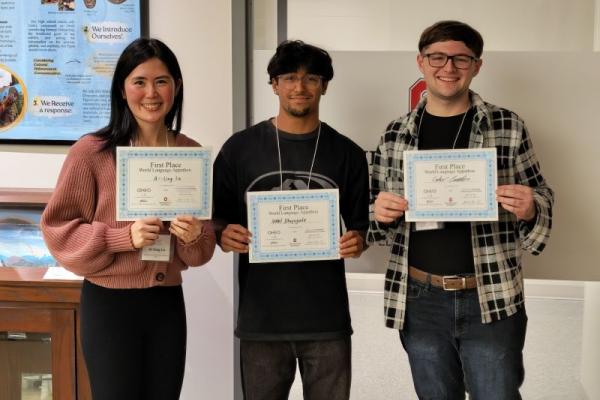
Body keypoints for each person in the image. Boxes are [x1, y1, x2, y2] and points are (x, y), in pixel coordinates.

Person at [368, 20, 554, 400]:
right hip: (420, 297)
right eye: (437, 57)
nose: (448, 67)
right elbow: (375, 217)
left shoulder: (506, 124)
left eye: (460, 59)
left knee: (497, 395)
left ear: (477, 65)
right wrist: (379, 212)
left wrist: (531, 207)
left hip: (491, 292)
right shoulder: (395, 132)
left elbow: (541, 192)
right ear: (421, 62)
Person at [41, 38, 216, 400]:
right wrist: (123, 238)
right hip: (109, 306)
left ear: (176, 87)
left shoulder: (191, 154)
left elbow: (199, 255)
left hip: (166, 305)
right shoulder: (91, 153)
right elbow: (58, 233)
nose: (151, 93)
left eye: (162, 81)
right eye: (139, 82)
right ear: (122, 89)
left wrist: (194, 236)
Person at [213, 40, 369, 400]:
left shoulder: (347, 152)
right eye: (289, 77)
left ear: (325, 86)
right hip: (262, 320)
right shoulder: (239, 149)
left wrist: (358, 240)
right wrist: (224, 234)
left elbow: (362, 224)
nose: (299, 87)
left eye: (311, 78)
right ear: (274, 84)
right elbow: (217, 219)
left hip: (326, 320)